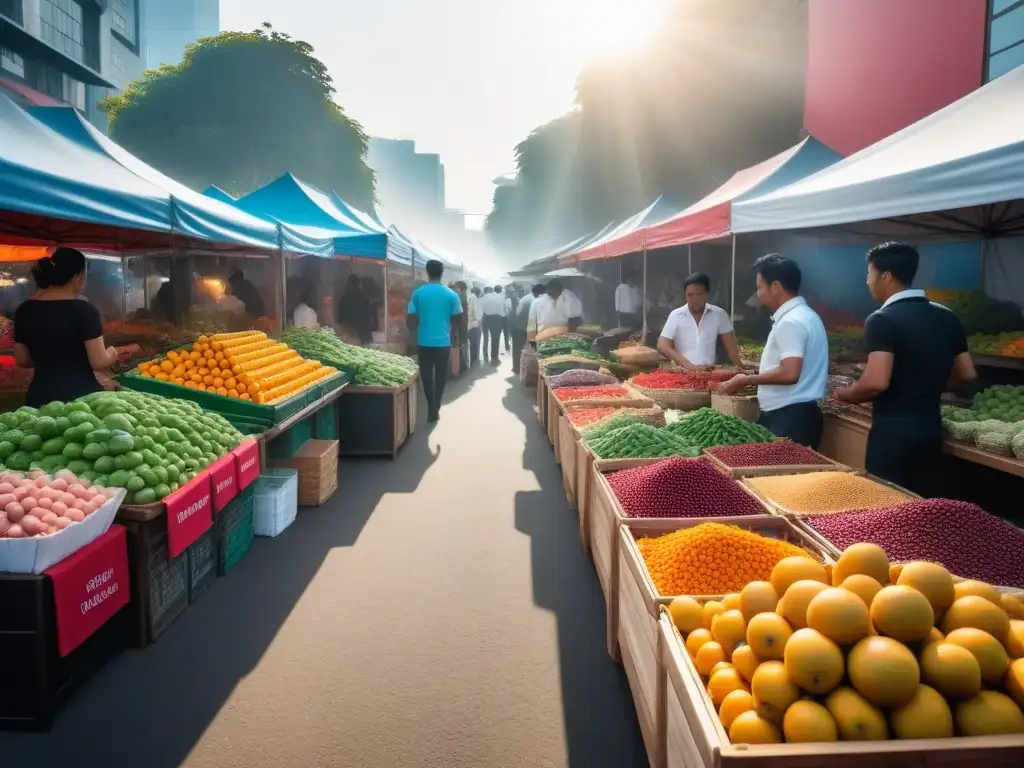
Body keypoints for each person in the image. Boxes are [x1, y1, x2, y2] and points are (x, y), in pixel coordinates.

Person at [832, 242, 976, 494]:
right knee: (920, 507)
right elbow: (968, 373)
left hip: (892, 432)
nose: (867, 282)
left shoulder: (881, 319)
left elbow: (876, 381)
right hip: (931, 429)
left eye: (869, 275)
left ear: (885, 277)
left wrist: (847, 394)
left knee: (886, 504)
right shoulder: (947, 317)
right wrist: (927, 384)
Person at [719, 255, 828, 447]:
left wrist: (746, 379)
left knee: (782, 472)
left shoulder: (791, 321)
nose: (758, 294)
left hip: (790, 416)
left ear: (776, 286)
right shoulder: (807, 315)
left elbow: (789, 372)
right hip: (796, 413)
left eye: (760, 287)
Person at [13, 248, 118, 407]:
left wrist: (51, 358)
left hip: (40, 395)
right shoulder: (85, 311)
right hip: (79, 399)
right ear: (78, 277)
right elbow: (99, 362)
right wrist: (114, 352)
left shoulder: (25, 310)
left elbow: (22, 359)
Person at [407, 260, 462, 422]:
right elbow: (458, 317)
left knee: (425, 377)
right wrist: (452, 334)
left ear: (427, 272)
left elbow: (411, 318)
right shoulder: (452, 295)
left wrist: (413, 335)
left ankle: (431, 405)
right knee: (440, 377)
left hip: (423, 343)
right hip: (443, 344)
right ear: (442, 272)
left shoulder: (418, 294)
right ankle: (436, 406)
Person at [657, 273, 743, 370]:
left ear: (706, 294)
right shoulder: (676, 315)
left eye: (698, 294)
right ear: (685, 294)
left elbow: (731, 349)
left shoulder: (719, 314)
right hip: (682, 372)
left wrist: (741, 368)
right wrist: (688, 365)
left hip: (710, 372)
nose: (694, 299)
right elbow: (662, 345)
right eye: (690, 295)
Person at [514, 284, 546, 375]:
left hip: (521, 326)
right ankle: (532, 371)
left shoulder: (524, 299)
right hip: (532, 329)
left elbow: (517, 312)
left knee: (523, 350)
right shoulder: (538, 301)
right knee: (533, 351)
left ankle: (519, 368)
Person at [337, 274, 373, 345]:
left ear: (349, 285)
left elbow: (342, 321)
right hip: (364, 335)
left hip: (351, 335)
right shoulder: (365, 300)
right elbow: (370, 318)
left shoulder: (345, 300)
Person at [480, 284, 506, 363]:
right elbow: (503, 311)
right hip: (497, 319)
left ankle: (485, 352)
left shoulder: (483, 298)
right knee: (495, 337)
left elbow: (481, 309)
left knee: (485, 336)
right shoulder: (500, 297)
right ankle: (494, 355)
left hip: (486, 318)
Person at [467, 287, 482, 366]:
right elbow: (476, 312)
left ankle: (469, 360)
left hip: (468, 324)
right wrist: (479, 319)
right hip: (474, 324)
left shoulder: (469, 297)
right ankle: (473, 360)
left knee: (468, 344)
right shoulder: (475, 298)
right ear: (478, 293)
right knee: (474, 344)